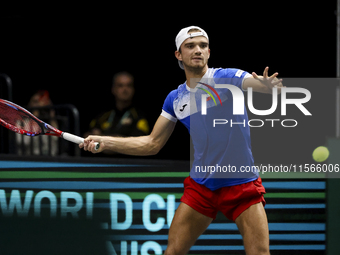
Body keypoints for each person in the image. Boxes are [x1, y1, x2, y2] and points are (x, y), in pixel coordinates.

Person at [80, 26, 284, 255]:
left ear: (209, 52)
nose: (198, 50)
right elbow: (152, 144)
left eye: (203, 46)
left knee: (259, 252)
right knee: (173, 252)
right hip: (202, 187)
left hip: (241, 183)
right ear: (178, 54)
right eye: (190, 46)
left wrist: (266, 87)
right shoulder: (175, 99)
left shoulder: (227, 78)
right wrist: (106, 142)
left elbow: (252, 83)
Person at [86, 72, 149, 138]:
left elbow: (138, 141)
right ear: (113, 89)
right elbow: (87, 136)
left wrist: (101, 137)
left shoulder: (139, 116)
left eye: (129, 85)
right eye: (120, 85)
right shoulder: (103, 116)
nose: (125, 89)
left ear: (133, 89)